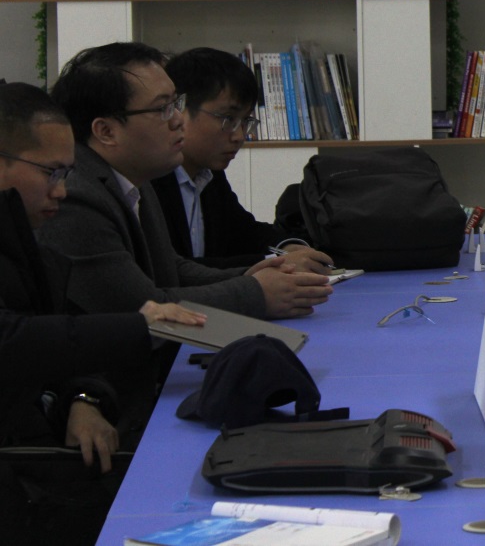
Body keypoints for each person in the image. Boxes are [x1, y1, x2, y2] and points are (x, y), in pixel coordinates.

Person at [0, 82, 205, 545]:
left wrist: (84, 398)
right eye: (51, 172)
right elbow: (12, 340)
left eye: (67, 173)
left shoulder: (25, 237)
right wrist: (142, 326)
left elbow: (59, 330)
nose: (61, 190)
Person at [36, 42, 333, 320]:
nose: (178, 120)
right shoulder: (77, 197)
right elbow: (143, 310)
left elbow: (171, 269)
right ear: (106, 131)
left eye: (176, 104)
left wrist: (254, 274)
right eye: (162, 108)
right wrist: (255, 292)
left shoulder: (134, 179)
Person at [151, 47, 331, 270]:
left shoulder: (209, 175)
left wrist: (289, 247)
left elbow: (244, 232)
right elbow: (171, 269)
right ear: (180, 109)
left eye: (245, 121)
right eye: (228, 119)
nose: (239, 136)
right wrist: (270, 263)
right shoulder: (149, 180)